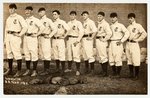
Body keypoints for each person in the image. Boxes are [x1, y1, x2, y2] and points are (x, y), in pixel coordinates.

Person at [4, 3, 27, 77]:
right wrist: (5, 40)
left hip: (15, 37)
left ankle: (19, 71)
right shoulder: (8, 18)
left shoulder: (19, 17)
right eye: (10, 9)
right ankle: (10, 69)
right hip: (8, 37)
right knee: (9, 53)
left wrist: (20, 34)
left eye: (12, 9)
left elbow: (25, 27)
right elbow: (6, 29)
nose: (11, 10)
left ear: (15, 9)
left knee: (17, 54)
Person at [22, 6, 45, 77]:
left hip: (32, 38)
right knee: (26, 54)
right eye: (26, 10)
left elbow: (42, 27)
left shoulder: (35, 20)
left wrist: (37, 34)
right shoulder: (25, 20)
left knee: (34, 54)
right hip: (25, 37)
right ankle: (28, 70)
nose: (27, 12)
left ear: (31, 11)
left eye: (29, 10)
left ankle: (34, 71)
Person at [126, 13, 147, 79]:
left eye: (131, 18)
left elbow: (144, 34)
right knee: (129, 59)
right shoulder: (128, 27)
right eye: (129, 18)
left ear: (134, 18)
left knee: (135, 59)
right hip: (128, 44)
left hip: (134, 44)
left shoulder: (138, 26)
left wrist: (138, 39)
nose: (129, 19)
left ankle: (136, 75)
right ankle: (131, 74)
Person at [109, 12, 129, 78]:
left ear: (116, 18)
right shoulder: (110, 26)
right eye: (111, 18)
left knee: (117, 58)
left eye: (113, 17)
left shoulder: (120, 25)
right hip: (111, 43)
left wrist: (121, 41)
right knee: (111, 58)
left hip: (118, 42)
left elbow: (127, 33)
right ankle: (114, 73)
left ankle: (118, 74)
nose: (112, 19)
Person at [38, 7, 57, 75]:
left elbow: (55, 29)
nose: (40, 13)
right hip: (40, 37)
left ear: (44, 12)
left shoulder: (48, 20)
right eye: (39, 12)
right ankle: (44, 69)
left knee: (46, 54)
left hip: (46, 38)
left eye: (42, 12)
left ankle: (47, 70)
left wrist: (49, 36)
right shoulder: (39, 20)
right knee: (42, 54)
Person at [65, 11, 84, 75]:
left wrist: (78, 40)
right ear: (69, 16)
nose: (72, 16)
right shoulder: (68, 23)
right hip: (69, 39)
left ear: (75, 16)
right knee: (69, 54)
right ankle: (69, 68)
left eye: (73, 15)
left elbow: (82, 32)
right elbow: (66, 31)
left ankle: (78, 70)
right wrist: (66, 36)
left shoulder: (78, 23)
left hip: (75, 39)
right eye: (71, 15)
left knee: (76, 54)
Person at [52, 10, 70, 74]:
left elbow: (68, 29)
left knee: (61, 54)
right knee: (56, 54)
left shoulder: (62, 22)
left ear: (58, 15)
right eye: (53, 14)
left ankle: (62, 69)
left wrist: (64, 36)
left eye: (55, 14)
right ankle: (57, 68)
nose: (54, 15)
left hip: (60, 39)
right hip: (54, 39)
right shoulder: (53, 23)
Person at [95, 11, 112, 77]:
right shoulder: (99, 23)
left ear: (103, 17)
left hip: (102, 41)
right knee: (100, 56)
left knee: (103, 56)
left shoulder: (105, 24)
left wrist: (104, 39)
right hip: (98, 40)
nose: (99, 17)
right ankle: (103, 71)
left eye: (100, 16)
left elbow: (109, 33)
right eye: (98, 16)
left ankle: (105, 72)